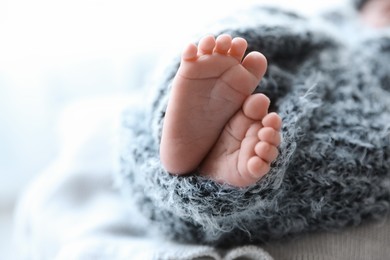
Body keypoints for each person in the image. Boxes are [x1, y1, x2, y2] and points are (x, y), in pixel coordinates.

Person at [118, 0, 390, 248]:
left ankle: (219, 165)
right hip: (293, 57)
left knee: (347, 144)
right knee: (246, 53)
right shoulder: (329, 20)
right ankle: (183, 121)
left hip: (350, 95)